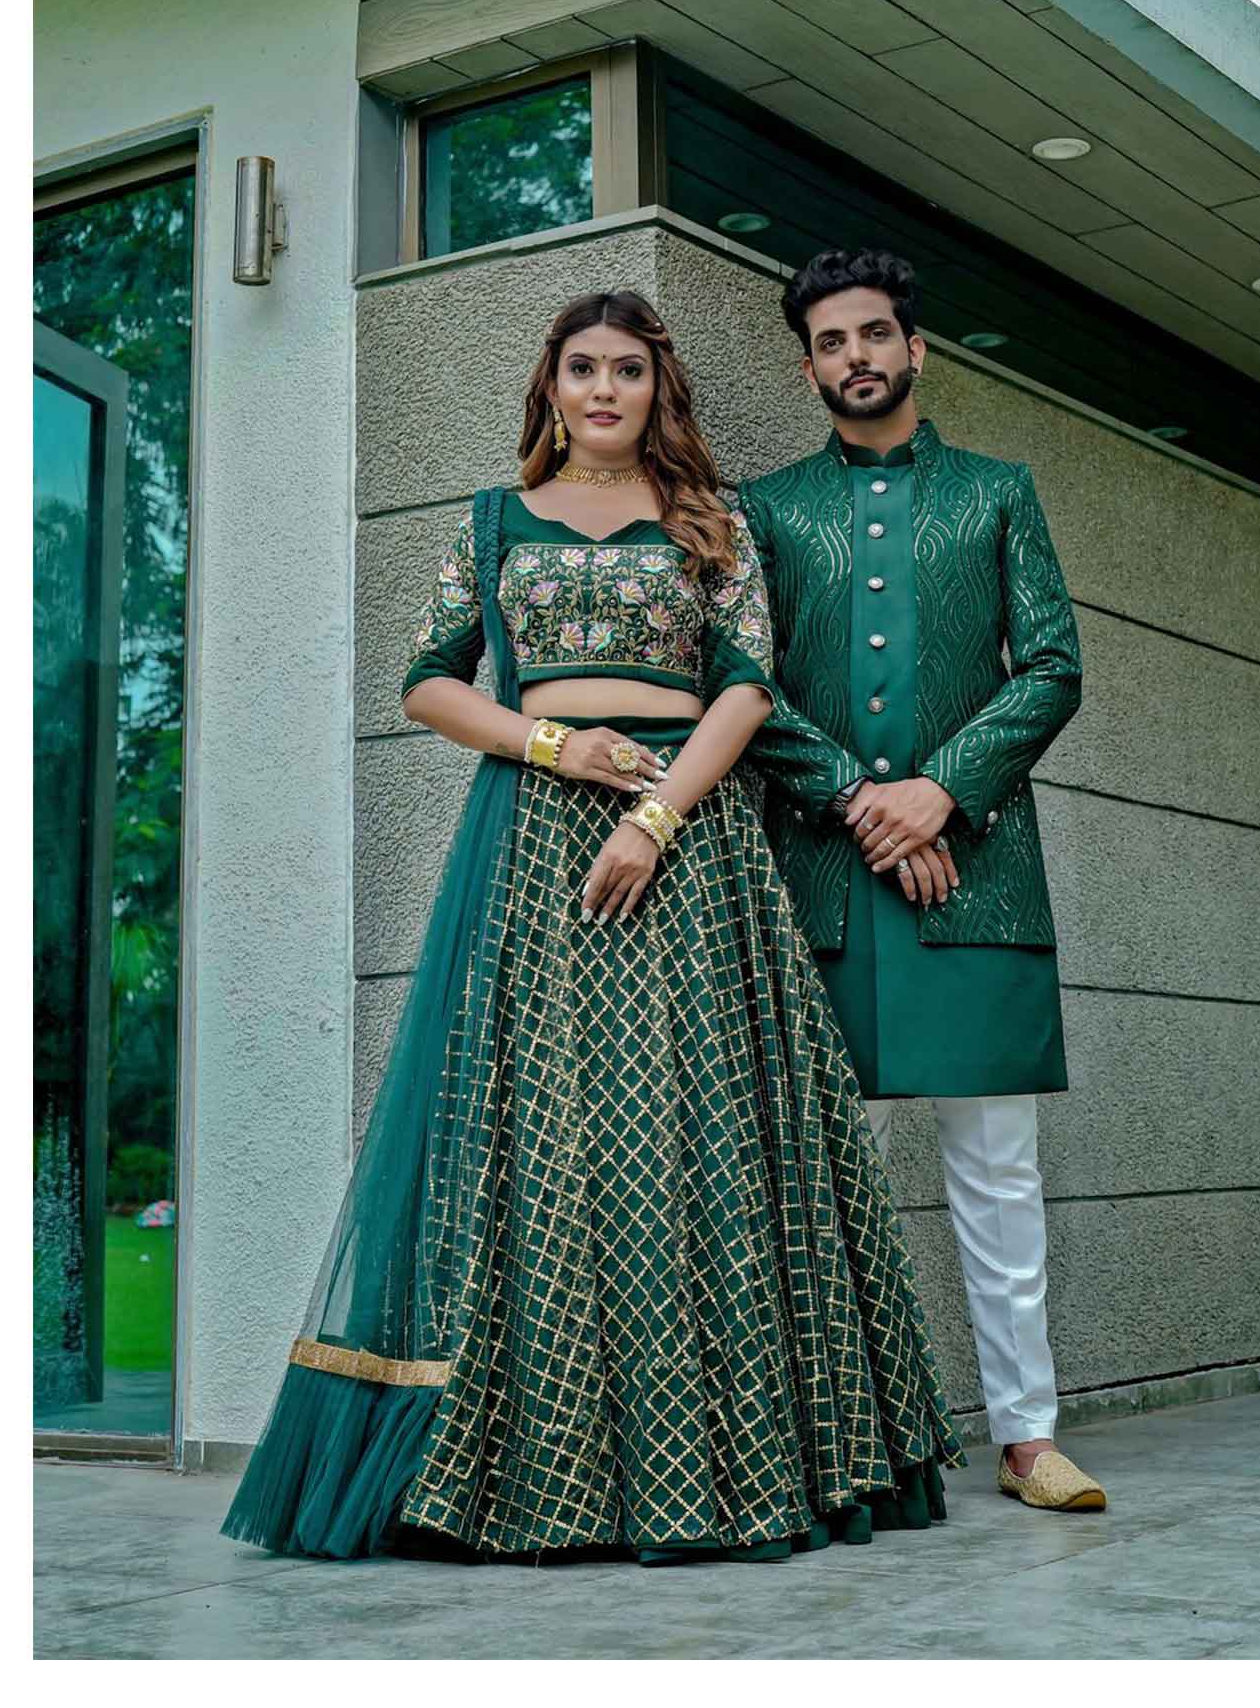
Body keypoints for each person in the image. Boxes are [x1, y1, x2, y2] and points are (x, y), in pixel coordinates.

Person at [220, 288, 963, 1565]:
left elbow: (746, 690)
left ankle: (732, 1461)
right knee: (546, 1130)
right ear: (551, 388)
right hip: (533, 840)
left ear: (656, 387)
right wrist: (554, 744)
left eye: (627, 368)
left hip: (692, 843)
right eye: (582, 368)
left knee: (701, 1125)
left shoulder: (710, 521)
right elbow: (427, 684)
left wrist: (655, 816)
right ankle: (542, 1474)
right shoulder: (493, 520)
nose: (605, 389)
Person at [732, 249, 1106, 1513]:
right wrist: (862, 799)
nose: (856, 356)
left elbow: (1050, 665)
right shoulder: (768, 511)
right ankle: (828, 1440)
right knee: (815, 1172)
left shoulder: (998, 492)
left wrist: (940, 791)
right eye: (831, 341)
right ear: (808, 367)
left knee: (997, 1168)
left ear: (916, 348)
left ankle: (1027, 1435)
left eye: (874, 333)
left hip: (978, 880)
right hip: (821, 884)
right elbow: (743, 684)